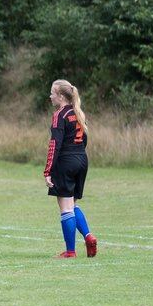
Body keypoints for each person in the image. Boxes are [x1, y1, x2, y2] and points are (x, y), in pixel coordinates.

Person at [44, 79, 98, 259]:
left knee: (65, 208)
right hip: (81, 160)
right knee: (73, 204)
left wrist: (48, 171)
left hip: (66, 161)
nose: (50, 96)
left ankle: (70, 251)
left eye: (52, 93)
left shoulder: (60, 115)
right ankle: (88, 236)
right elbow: (84, 140)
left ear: (60, 96)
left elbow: (55, 144)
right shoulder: (78, 113)